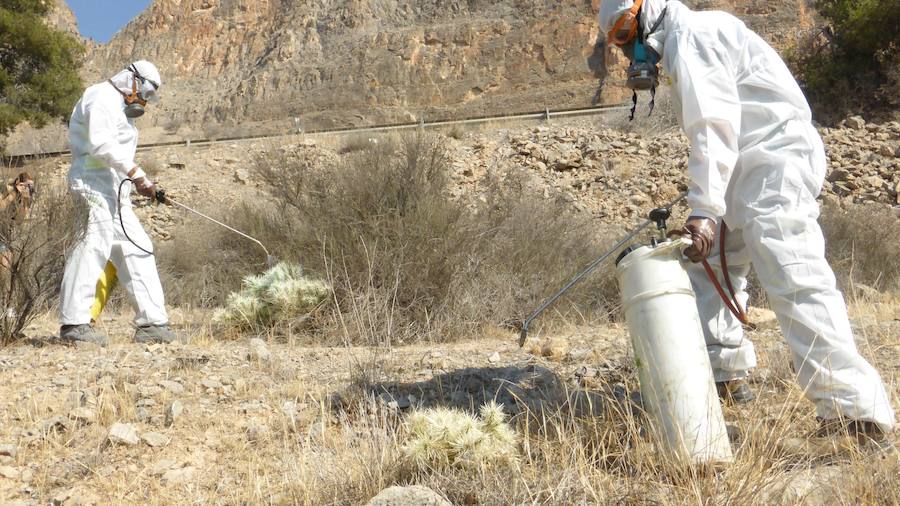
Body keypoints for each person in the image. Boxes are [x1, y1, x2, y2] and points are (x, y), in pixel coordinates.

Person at [598, 0, 895, 437]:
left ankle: (855, 412)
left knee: (793, 274)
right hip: (745, 169)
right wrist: (709, 206)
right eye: (617, 41)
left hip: (775, 163)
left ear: (648, 12)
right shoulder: (682, 48)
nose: (628, 51)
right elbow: (721, 132)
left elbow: (712, 128)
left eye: (626, 32)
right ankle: (723, 377)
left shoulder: (694, 36)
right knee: (710, 265)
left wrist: (703, 210)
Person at [59, 61, 176, 345]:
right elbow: (100, 144)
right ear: (132, 79)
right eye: (146, 92)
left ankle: (153, 324)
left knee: (138, 247)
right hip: (91, 184)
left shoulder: (123, 110)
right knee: (91, 246)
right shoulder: (100, 96)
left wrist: (133, 180)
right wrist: (137, 174)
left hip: (114, 191)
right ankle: (74, 324)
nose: (144, 101)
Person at [0, 172, 36, 271]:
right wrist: (14, 192)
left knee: (5, 266)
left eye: (30, 186)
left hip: (4, 235)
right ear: (17, 182)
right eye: (25, 185)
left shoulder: (25, 197)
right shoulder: (5, 188)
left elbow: (19, 221)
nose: (27, 188)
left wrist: (25, 202)